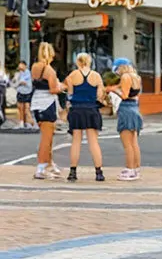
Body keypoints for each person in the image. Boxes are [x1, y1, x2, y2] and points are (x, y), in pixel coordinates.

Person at [63, 52, 105, 182]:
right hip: (91, 109)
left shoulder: (72, 75)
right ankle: (98, 172)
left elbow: (69, 95)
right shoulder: (96, 76)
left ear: (78, 62)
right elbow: (100, 95)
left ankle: (73, 172)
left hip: (77, 110)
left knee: (76, 141)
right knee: (93, 141)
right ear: (89, 61)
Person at [30, 43, 64, 180]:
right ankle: (41, 167)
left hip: (36, 102)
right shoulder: (49, 70)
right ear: (51, 54)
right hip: (47, 104)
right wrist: (62, 87)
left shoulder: (34, 67)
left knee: (47, 136)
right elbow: (52, 89)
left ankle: (49, 163)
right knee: (47, 138)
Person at [108, 58, 143, 181]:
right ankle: (136, 168)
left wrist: (113, 90)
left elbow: (124, 94)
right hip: (135, 109)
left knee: (127, 144)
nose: (116, 72)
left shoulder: (125, 77)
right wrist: (115, 87)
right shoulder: (136, 78)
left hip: (126, 109)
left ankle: (129, 169)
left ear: (120, 67)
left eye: (116, 69)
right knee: (134, 142)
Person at [12, 60, 33, 129]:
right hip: (20, 92)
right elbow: (15, 83)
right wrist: (19, 82)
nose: (19, 66)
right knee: (20, 108)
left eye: (21, 65)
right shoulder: (18, 74)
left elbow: (27, 83)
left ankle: (28, 122)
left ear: (25, 65)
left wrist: (21, 82)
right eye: (19, 65)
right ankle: (21, 122)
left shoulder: (28, 73)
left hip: (27, 92)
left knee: (26, 108)